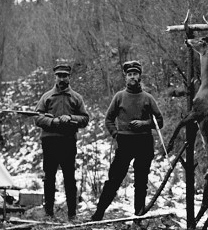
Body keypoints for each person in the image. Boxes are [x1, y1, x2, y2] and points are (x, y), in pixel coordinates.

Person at [91, 60, 164, 221]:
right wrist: (116, 134)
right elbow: (108, 119)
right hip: (124, 143)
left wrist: (144, 123)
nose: (132, 77)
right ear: (125, 77)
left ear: (139, 76)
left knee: (141, 180)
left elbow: (160, 121)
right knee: (114, 179)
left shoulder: (148, 98)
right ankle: (98, 213)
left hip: (144, 142)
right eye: (129, 74)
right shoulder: (119, 97)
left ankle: (138, 215)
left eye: (135, 74)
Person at [35, 64, 89, 220]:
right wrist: (53, 122)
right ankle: (49, 212)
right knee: (49, 177)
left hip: (68, 141)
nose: (62, 79)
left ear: (69, 77)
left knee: (69, 178)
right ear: (55, 77)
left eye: (65, 76)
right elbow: (38, 117)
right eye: (59, 76)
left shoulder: (76, 98)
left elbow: (85, 119)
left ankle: (72, 214)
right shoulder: (46, 97)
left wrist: (70, 118)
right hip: (49, 141)